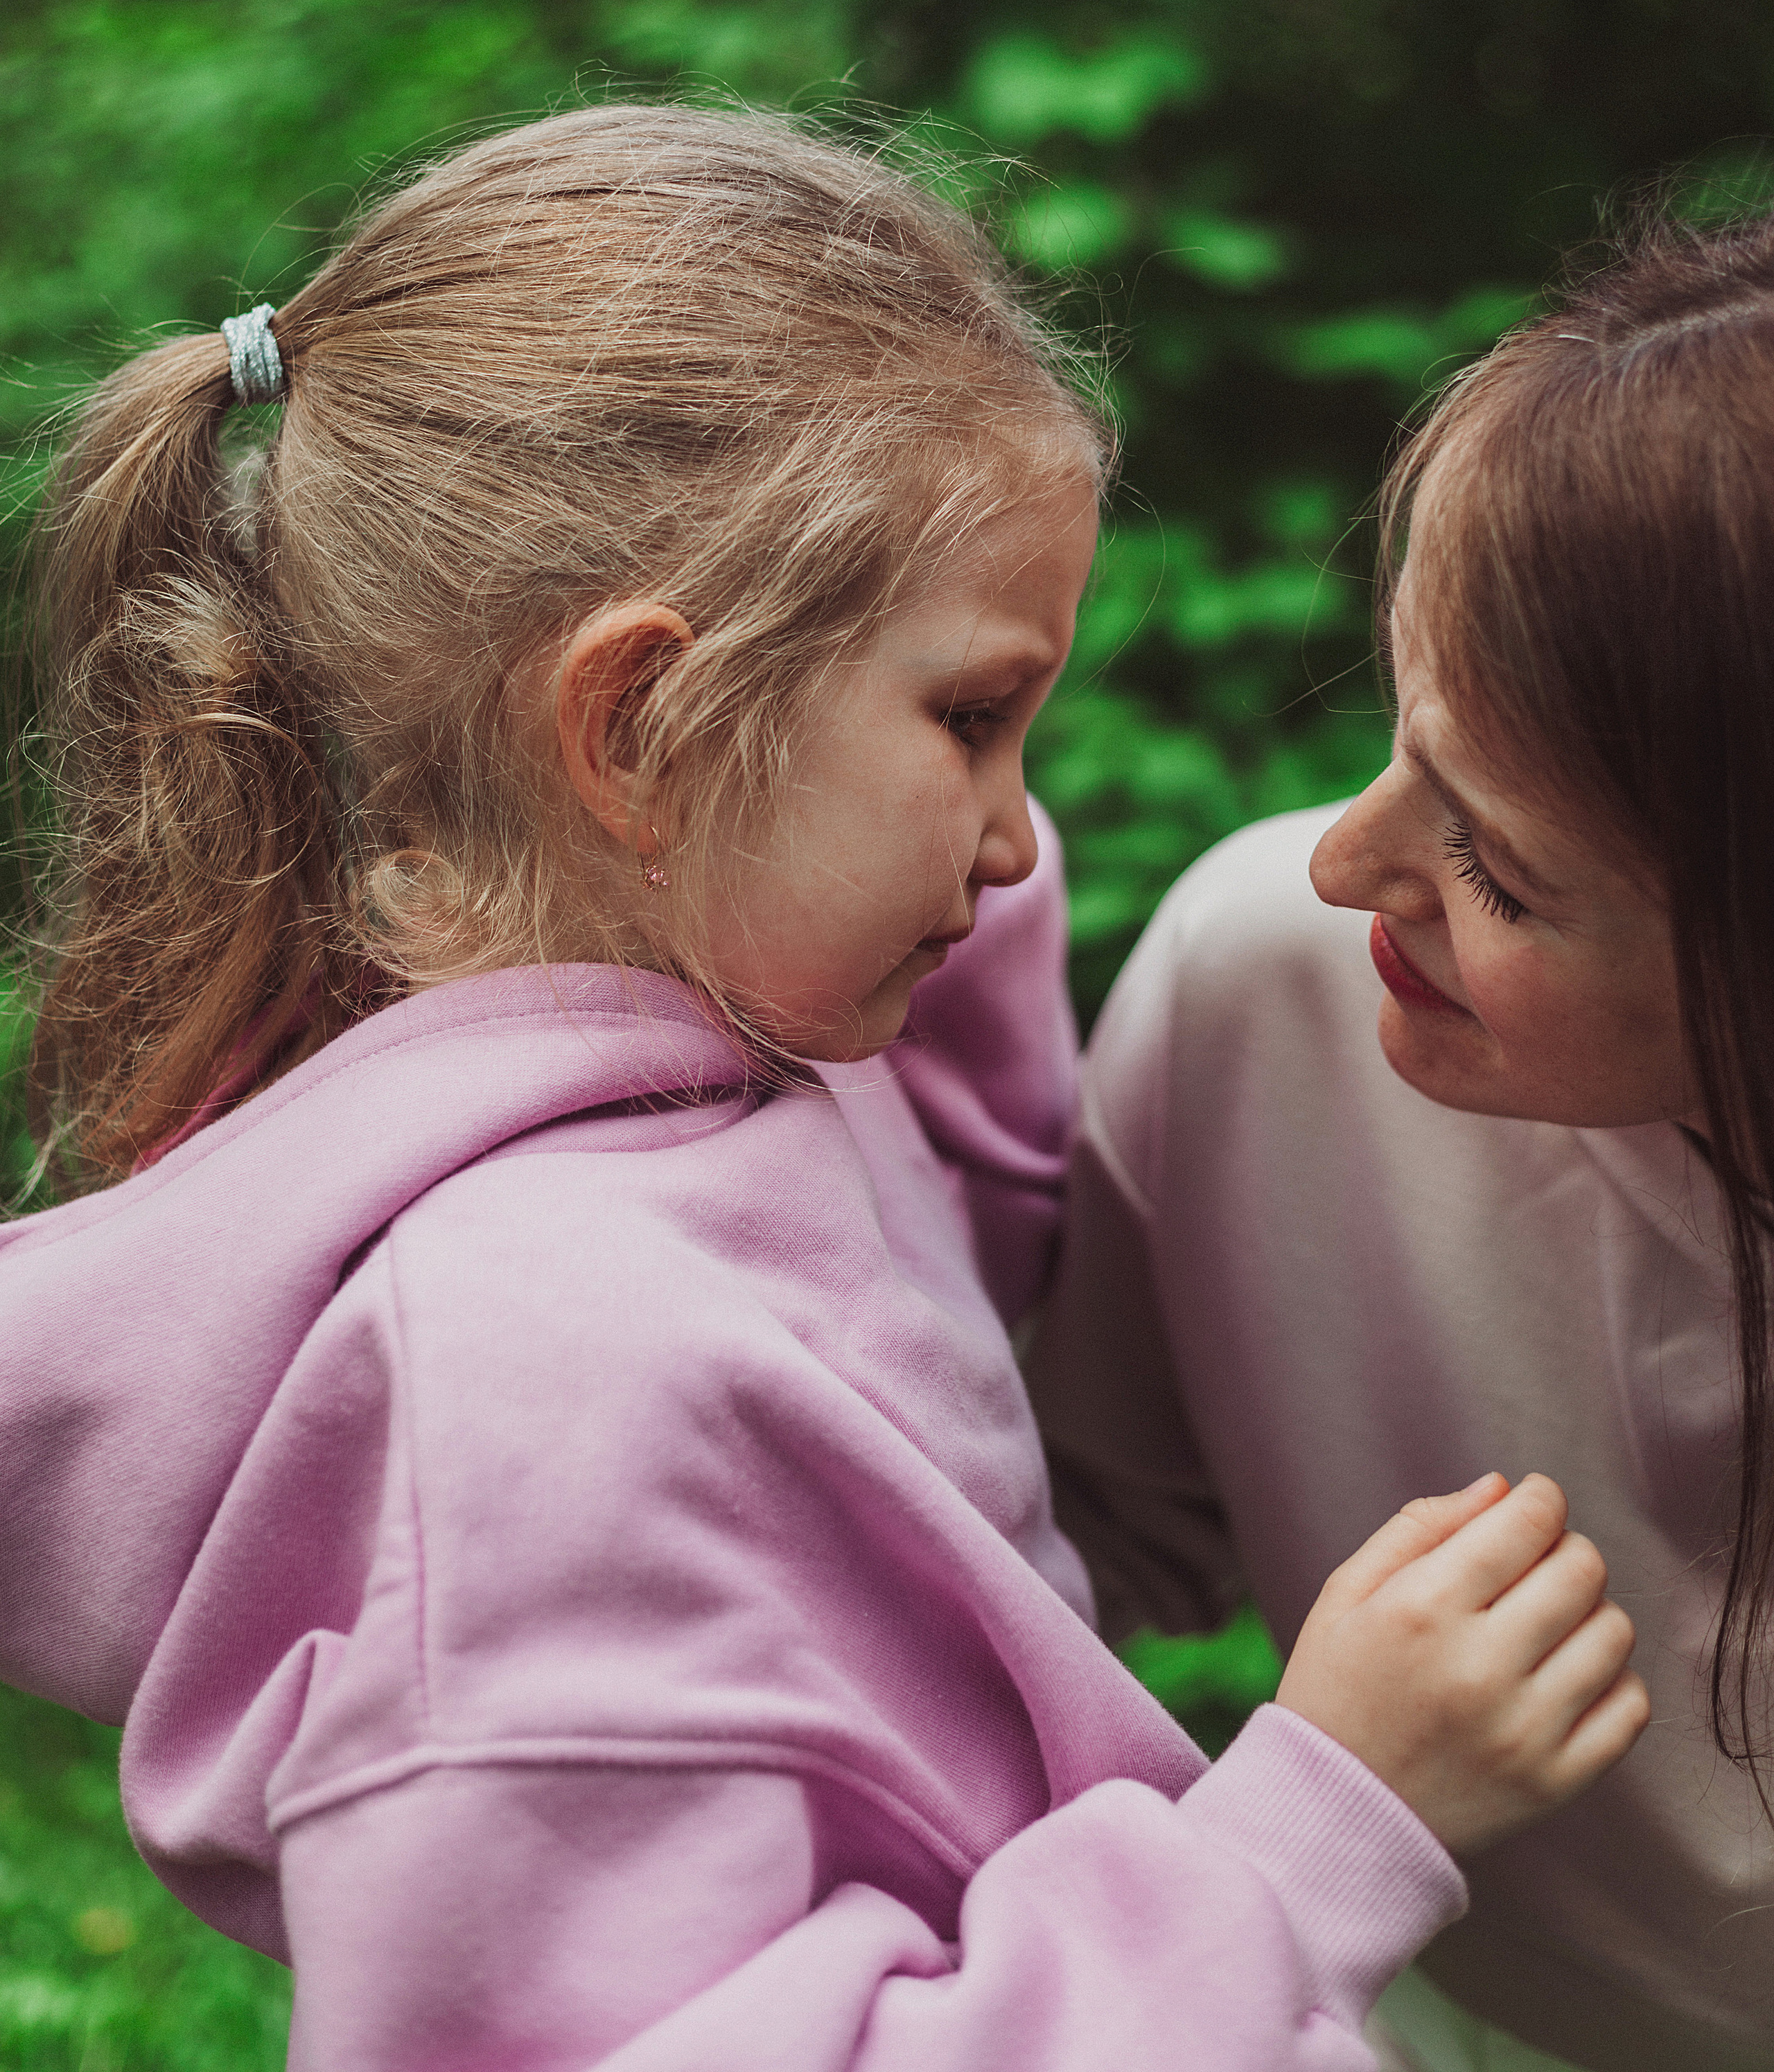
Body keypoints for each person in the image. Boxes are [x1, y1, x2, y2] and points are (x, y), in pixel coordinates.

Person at [0, 107, 1644, 2071]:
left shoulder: (746, 1077)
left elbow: (967, 1259)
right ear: (644, 727)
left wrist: (940, 915)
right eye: (969, 720)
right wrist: (1313, 1839)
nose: (1022, 843)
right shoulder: (536, 1402)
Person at [1028, 209, 1774, 2072]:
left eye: (1499, 871)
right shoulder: (1274, 984)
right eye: (1399, 734)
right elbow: (1040, 1555)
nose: (1348, 865)